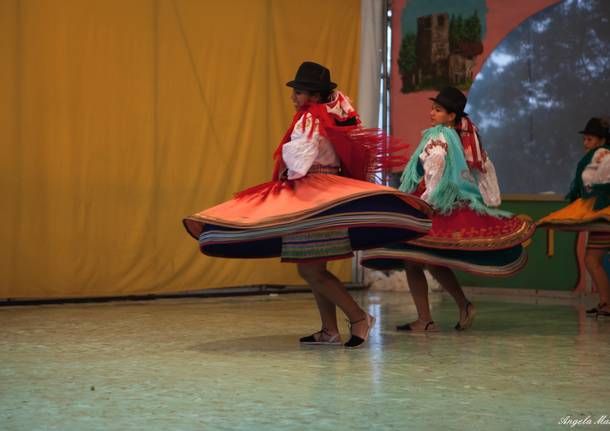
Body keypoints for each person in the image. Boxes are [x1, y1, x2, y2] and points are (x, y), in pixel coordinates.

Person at [183, 61, 432, 347]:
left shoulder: (310, 119)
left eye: (298, 93)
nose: (293, 98)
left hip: (313, 197)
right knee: (312, 266)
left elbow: (299, 164)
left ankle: (358, 316)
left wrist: (286, 172)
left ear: (313, 96)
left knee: (311, 269)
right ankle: (329, 329)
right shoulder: (335, 113)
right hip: (329, 196)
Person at [361, 87, 535, 331]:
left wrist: (426, 202)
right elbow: (481, 167)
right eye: (432, 108)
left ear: (451, 116)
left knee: (415, 259)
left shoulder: (440, 136)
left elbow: (436, 165)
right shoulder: (460, 135)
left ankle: (429, 318)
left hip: (432, 201)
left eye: (438, 110)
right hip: (444, 199)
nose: (432, 112)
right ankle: (457, 306)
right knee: (431, 260)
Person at [538, 117, 610, 317]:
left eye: (589, 139)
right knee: (591, 259)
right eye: (585, 139)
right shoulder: (596, 157)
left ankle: (607, 302)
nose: (585, 143)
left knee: (592, 259)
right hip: (599, 215)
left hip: (604, 214)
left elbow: (596, 184)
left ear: (601, 140)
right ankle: (605, 302)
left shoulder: (602, 155)